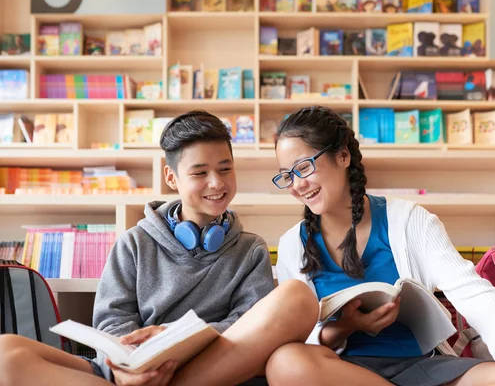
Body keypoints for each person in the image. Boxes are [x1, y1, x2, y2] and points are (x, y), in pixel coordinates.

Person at [0, 110, 318, 386]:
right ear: (171, 178)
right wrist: (127, 367)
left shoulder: (250, 250)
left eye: (225, 169)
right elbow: (112, 321)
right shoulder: (133, 243)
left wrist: (172, 335)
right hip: (131, 371)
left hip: (211, 366)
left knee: (295, 299)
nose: (216, 183)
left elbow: (248, 323)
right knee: (6, 354)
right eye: (199, 172)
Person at [266, 105, 495, 386]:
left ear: (343, 156)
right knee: (285, 363)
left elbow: (470, 289)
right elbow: (302, 340)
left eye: (303, 167)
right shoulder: (293, 244)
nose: (296, 184)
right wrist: (347, 326)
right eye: (286, 176)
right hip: (341, 372)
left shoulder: (409, 220)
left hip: (424, 369)